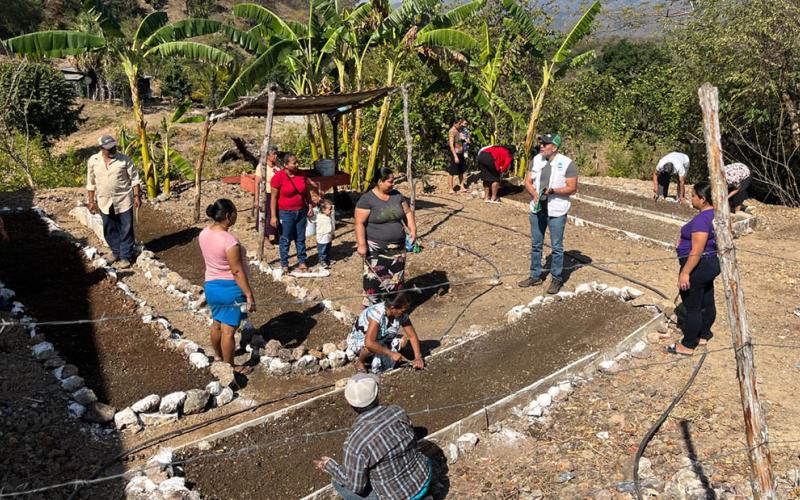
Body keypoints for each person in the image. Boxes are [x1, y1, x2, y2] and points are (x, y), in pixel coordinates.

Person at [314, 373, 432, 500]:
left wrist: (330, 466)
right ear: (377, 394)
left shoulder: (355, 443)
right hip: (424, 477)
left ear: (349, 402)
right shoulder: (398, 411)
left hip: (398, 496)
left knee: (338, 482)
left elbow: (356, 487)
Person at [199, 199, 256, 374]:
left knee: (216, 323)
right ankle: (230, 366)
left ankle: (217, 356)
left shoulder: (204, 233)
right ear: (228, 216)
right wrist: (248, 294)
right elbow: (237, 271)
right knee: (228, 331)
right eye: (235, 214)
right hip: (230, 289)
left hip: (211, 286)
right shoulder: (230, 241)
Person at [518, 133, 578, 295]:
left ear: (555, 148)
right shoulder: (536, 160)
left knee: (556, 247)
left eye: (546, 144)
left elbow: (572, 188)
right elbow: (528, 181)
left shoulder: (567, 163)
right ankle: (535, 275)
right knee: (536, 244)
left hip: (557, 210)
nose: (542, 146)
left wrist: (553, 191)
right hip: (538, 209)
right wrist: (534, 194)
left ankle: (556, 278)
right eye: (541, 143)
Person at [666, 182, 720, 356]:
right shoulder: (715, 215)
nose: (692, 198)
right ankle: (704, 334)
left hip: (698, 266)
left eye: (694, 195)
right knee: (707, 300)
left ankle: (688, 344)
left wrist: (685, 272)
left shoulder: (701, 220)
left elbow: (696, 251)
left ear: (703, 199)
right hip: (710, 263)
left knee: (692, 306)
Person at [355, 167, 417, 307]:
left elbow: (407, 213)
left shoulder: (397, 195)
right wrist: (361, 244)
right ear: (379, 182)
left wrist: (413, 229)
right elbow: (359, 223)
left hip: (398, 250)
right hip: (376, 250)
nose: (393, 184)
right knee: (373, 283)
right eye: (390, 181)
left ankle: (392, 310)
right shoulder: (367, 200)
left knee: (396, 280)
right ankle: (370, 314)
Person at [86, 134, 142, 269]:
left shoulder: (124, 160)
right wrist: (91, 201)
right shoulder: (93, 161)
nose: (112, 150)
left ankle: (125, 256)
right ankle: (116, 252)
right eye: (109, 149)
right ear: (101, 148)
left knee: (126, 228)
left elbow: (135, 178)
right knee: (109, 227)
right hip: (104, 200)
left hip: (123, 199)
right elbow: (91, 183)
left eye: (113, 147)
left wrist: (136, 196)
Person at [346, 291, 424, 373]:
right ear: (393, 308)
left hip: (382, 338)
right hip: (361, 342)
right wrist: (391, 353)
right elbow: (369, 343)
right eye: (403, 310)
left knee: (403, 340)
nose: (404, 313)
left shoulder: (401, 315)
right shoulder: (377, 314)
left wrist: (418, 357)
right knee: (369, 348)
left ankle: (379, 355)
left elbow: (412, 336)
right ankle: (360, 362)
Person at [270, 153, 317, 273]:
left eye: (297, 162)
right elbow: (274, 198)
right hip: (285, 212)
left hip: (301, 211)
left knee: (300, 238)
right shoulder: (278, 178)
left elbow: (306, 192)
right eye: (294, 163)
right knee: (285, 238)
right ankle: (284, 264)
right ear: (285, 165)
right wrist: (274, 216)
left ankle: (302, 261)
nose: (297, 165)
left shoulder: (302, 175)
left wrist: (310, 205)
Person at [260, 146, 282, 246]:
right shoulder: (262, 166)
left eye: (276, 153)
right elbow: (257, 182)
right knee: (267, 215)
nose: (276, 156)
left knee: (277, 214)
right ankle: (266, 238)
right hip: (267, 194)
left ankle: (278, 236)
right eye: (274, 154)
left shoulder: (277, 165)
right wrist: (257, 199)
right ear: (268, 156)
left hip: (278, 193)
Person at [447, 117, 467, 194]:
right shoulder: (452, 131)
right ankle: (450, 188)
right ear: (454, 123)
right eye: (459, 123)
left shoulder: (460, 130)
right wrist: (455, 156)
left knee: (461, 171)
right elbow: (451, 145)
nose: (460, 125)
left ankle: (462, 186)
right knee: (452, 171)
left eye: (460, 123)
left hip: (461, 152)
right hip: (455, 153)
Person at [316, 198, 336, 269]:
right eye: (329, 209)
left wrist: (333, 233)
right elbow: (313, 220)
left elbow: (331, 225)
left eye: (331, 209)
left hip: (328, 236)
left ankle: (327, 259)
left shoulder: (329, 216)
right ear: (323, 210)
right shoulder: (319, 217)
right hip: (322, 237)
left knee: (328, 249)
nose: (331, 211)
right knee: (322, 250)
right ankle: (322, 261)